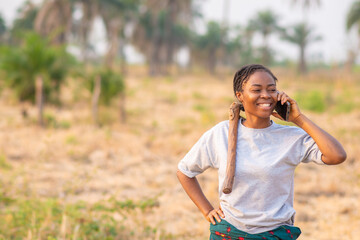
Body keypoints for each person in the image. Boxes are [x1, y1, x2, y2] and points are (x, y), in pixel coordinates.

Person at [176, 64, 347, 240]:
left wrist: (298, 119)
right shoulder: (221, 133)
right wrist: (207, 210)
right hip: (230, 232)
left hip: (276, 233)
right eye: (256, 90)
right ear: (240, 96)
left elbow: (336, 156)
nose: (265, 95)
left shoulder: (291, 137)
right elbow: (185, 171)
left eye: (271, 89)